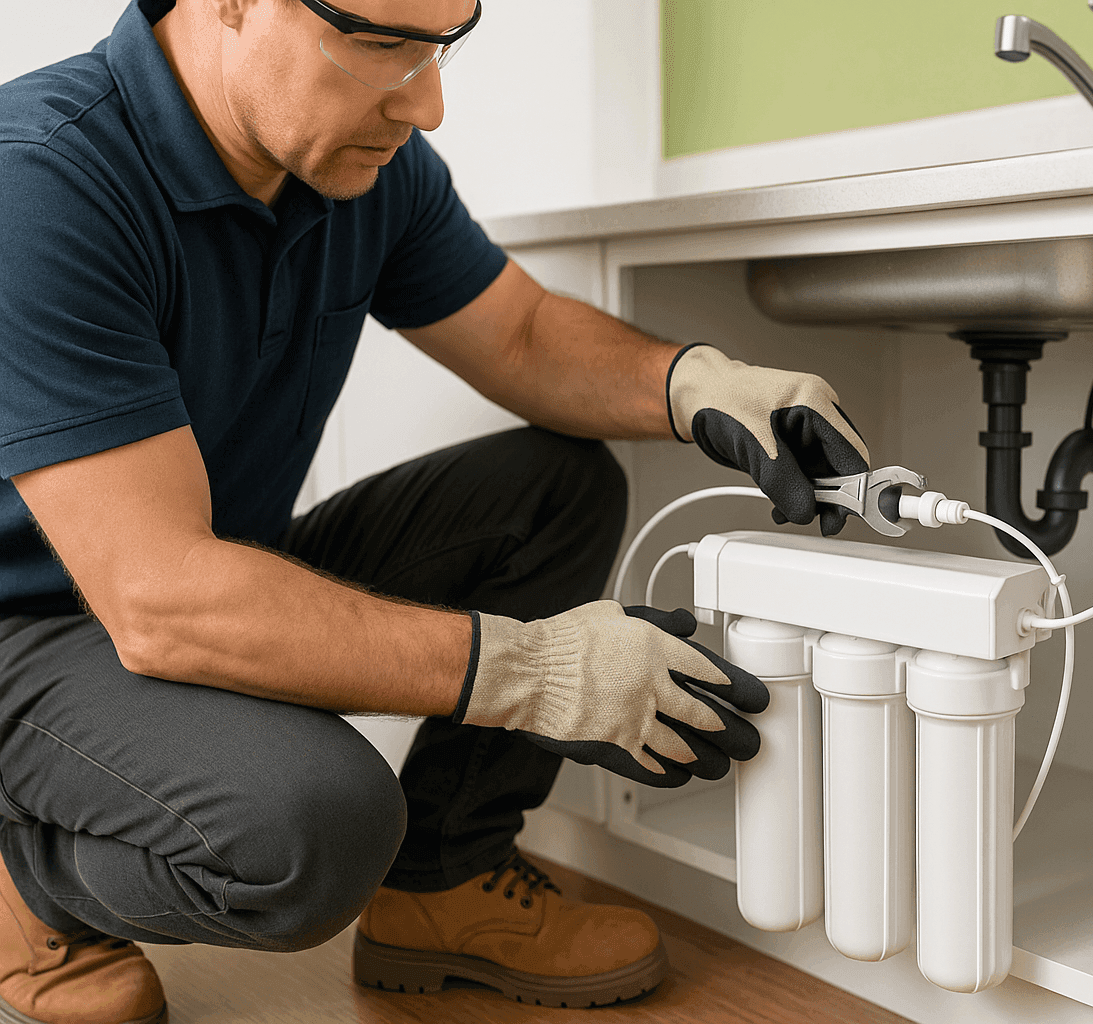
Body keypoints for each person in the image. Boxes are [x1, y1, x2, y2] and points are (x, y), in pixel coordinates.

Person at [0, 1, 869, 1020]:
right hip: (34, 629)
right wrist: (530, 673)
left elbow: (526, 338)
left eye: (443, 43)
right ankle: (31, 888)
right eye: (380, 42)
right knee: (315, 826)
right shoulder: (42, 182)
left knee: (554, 488)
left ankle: (443, 885)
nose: (430, 102)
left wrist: (695, 381)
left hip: (203, 575)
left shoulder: (356, 163)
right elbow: (161, 599)